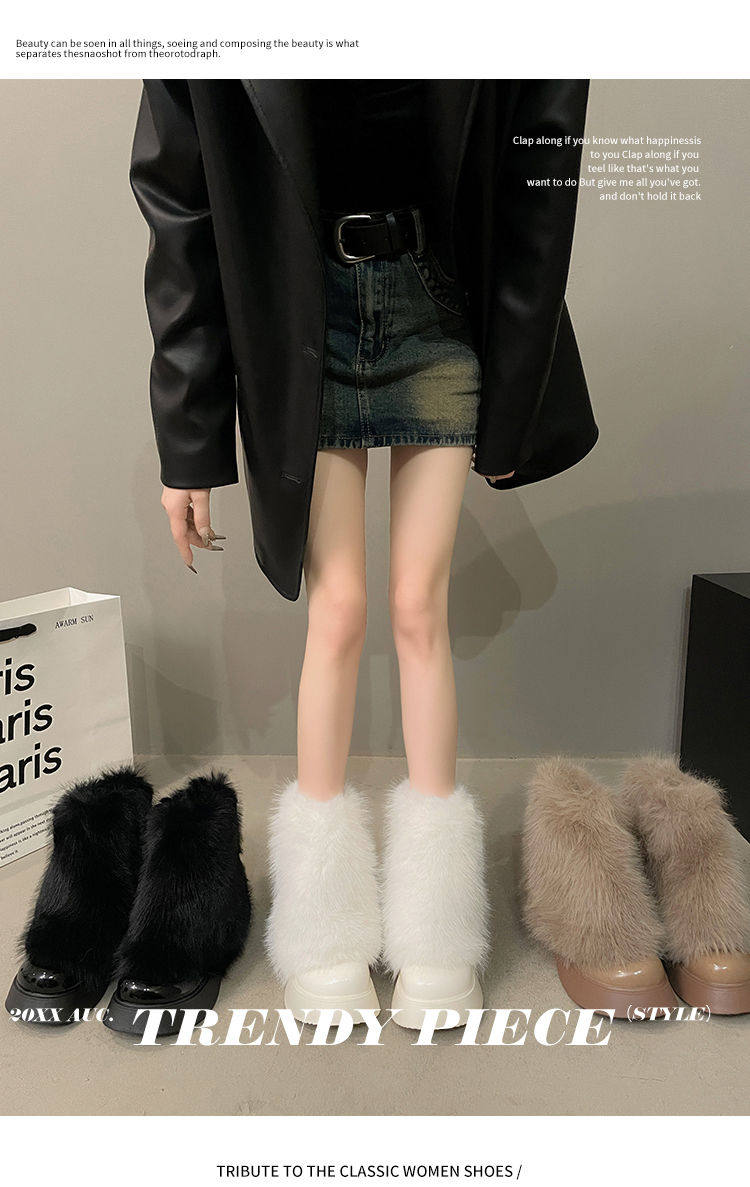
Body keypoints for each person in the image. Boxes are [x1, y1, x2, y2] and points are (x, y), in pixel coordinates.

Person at [130, 79, 596, 1027]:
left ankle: (437, 929)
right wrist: (189, 441)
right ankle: (323, 925)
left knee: (419, 608)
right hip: (303, 316)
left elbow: (542, 168)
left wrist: (519, 387)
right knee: (337, 611)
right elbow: (180, 200)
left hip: (440, 306)